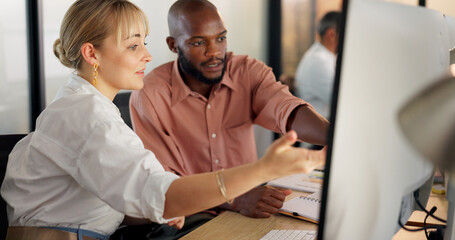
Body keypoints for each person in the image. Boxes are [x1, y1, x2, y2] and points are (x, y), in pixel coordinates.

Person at [0, 0, 326, 240]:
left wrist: (151, 211)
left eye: (144, 42)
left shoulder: (81, 106)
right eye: (132, 46)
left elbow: (110, 193)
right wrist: (264, 170)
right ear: (92, 55)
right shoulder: (88, 116)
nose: (147, 55)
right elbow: (163, 192)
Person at [129, 0, 329, 231]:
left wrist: (333, 136)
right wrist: (233, 197)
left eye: (220, 39)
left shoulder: (247, 71)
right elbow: (163, 185)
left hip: (250, 209)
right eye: (199, 42)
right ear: (174, 45)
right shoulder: (150, 94)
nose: (214, 52)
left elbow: (287, 109)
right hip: (187, 219)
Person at [294, 11, 342, 120]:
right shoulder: (318, 62)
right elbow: (343, 101)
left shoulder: (325, 57)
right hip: (321, 128)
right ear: (331, 34)